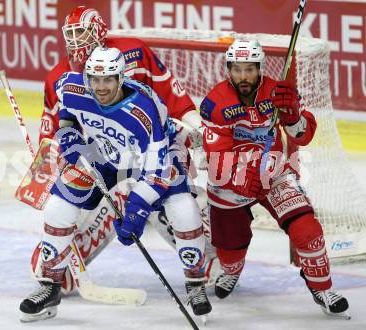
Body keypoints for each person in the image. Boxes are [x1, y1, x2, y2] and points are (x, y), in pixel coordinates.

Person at [30, 5, 219, 294]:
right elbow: (53, 132)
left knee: (168, 195)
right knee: (70, 206)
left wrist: (197, 132)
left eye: (83, 32)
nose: (78, 40)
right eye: (73, 34)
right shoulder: (60, 78)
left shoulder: (135, 52)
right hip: (100, 160)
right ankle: (61, 266)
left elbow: (174, 97)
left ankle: (203, 258)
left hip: (149, 155)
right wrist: (46, 171)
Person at [200, 39, 349, 318]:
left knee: (308, 232)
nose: (243, 77)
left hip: (275, 173)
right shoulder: (215, 102)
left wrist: (292, 114)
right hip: (230, 180)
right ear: (228, 69)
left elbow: (303, 135)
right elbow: (215, 154)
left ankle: (323, 287)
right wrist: (240, 180)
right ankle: (233, 270)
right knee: (229, 255)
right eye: (237, 69)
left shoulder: (277, 92)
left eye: (249, 69)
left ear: (260, 68)